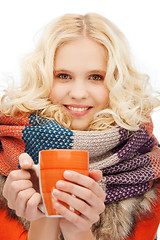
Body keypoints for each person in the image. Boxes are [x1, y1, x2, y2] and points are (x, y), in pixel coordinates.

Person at [0, 13, 160, 240]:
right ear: (42, 78)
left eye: (96, 77)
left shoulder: (145, 168)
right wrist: (42, 218)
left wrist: (79, 230)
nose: (78, 93)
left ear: (117, 81)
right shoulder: (5, 157)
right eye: (63, 75)